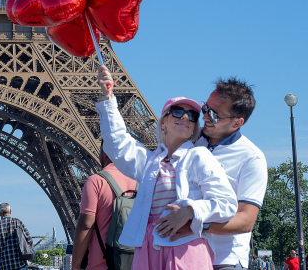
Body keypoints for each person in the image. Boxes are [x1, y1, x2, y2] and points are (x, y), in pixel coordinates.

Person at [96, 66, 238, 269]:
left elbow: (227, 203)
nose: (186, 117)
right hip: (148, 247)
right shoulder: (150, 162)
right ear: (163, 122)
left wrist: (190, 211)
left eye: (192, 115)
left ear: (193, 129)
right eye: (178, 112)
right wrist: (107, 97)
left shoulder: (198, 156)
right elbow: (116, 142)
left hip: (184, 246)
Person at [155, 76, 268, 270]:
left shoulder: (252, 158)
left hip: (224, 260)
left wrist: (193, 222)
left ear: (236, 123)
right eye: (205, 108)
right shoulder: (189, 141)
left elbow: (246, 220)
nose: (205, 117)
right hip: (181, 252)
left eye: (214, 115)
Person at [72, 142, 137, 270]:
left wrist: (75, 266)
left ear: (105, 152)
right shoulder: (139, 182)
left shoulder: (96, 181)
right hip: (135, 263)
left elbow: (86, 225)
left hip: (101, 265)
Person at [0, 202, 33, 270]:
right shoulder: (18, 222)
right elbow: (30, 240)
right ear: (10, 211)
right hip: (21, 264)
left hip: (5, 265)